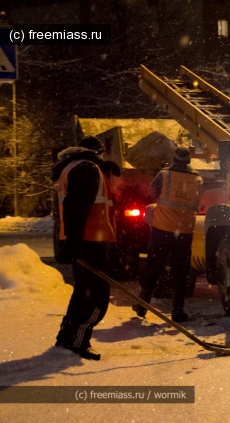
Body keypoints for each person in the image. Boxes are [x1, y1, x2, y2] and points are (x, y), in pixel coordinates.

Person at [52, 135, 117, 360]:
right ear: (97, 153)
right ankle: (78, 342)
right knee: (96, 297)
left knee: (82, 292)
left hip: (82, 241)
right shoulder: (86, 169)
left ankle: (67, 337)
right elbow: (77, 208)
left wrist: (70, 242)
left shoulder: (73, 167)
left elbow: (73, 204)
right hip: (90, 241)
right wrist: (74, 241)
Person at [132, 147, 203, 323]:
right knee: (181, 270)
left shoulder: (164, 175)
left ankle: (142, 304)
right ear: (188, 161)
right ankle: (177, 311)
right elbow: (196, 202)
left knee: (154, 266)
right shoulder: (198, 179)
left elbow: (152, 192)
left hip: (162, 229)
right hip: (184, 231)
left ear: (174, 159)